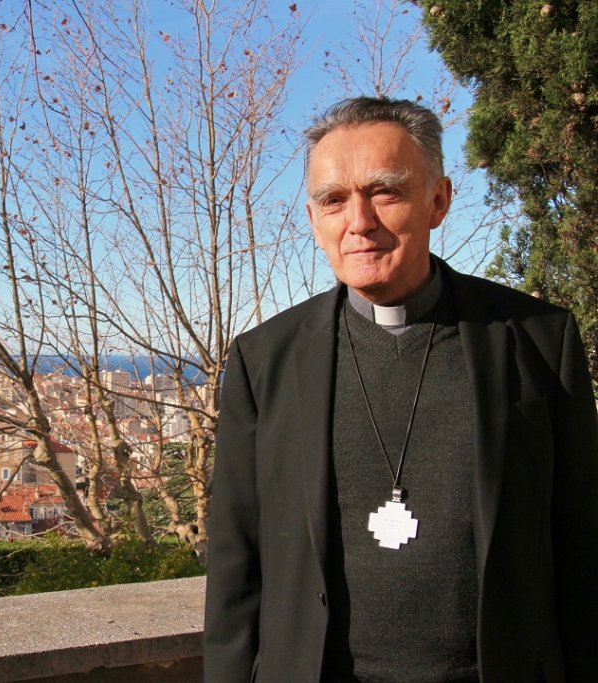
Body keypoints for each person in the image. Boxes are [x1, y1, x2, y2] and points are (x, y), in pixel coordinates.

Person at [203, 96, 598, 682]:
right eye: (333, 200)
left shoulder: (538, 340)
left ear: (437, 200)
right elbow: (236, 567)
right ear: (314, 221)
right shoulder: (265, 361)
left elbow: (582, 546)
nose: (359, 222)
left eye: (384, 192)